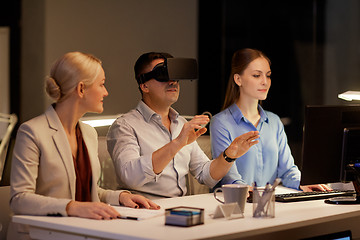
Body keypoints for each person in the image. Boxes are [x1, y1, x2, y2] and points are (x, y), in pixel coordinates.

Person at [8, 52, 158, 239]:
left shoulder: (88, 133)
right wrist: (72, 207)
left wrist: (120, 197)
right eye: (102, 84)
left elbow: (89, 191)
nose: (106, 92)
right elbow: (19, 200)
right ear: (81, 89)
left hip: (81, 233)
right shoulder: (31, 132)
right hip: (41, 235)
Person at [107, 52, 260, 199]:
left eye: (175, 75)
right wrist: (177, 143)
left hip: (179, 208)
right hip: (142, 210)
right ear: (144, 86)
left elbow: (205, 175)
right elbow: (129, 176)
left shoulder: (181, 124)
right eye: (163, 75)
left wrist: (229, 155)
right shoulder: (125, 126)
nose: (172, 81)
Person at [210, 48, 332, 192]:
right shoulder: (221, 122)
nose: (265, 82)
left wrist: (304, 182)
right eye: (256, 75)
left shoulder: (274, 121)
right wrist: (248, 191)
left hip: (270, 203)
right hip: (236, 203)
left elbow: (287, 170)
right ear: (238, 79)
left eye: (268, 76)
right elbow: (230, 177)